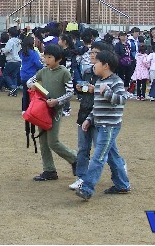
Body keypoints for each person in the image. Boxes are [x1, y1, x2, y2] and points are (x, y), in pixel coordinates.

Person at [75, 50, 130, 200]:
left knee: (98, 157)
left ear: (106, 65)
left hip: (109, 126)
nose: (94, 65)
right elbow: (97, 106)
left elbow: (122, 99)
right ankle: (122, 184)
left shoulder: (116, 81)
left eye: (97, 63)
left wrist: (107, 93)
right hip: (101, 125)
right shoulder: (99, 82)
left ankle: (87, 188)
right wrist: (89, 119)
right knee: (112, 156)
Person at [27, 44, 77, 182]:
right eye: (45, 57)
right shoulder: (43, 71)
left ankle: (75, 158)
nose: (46, 60)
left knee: (53, 142)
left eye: (50, 57)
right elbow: (30, 81)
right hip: (42, 110)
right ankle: (49, 170)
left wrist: (57, 101)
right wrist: (32, 85)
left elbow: (70, 92)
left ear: (59, 59)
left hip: (55, 111)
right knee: (43, 142)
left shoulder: (64, 72)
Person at [69, 40, 111, 191]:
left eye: (96, 53)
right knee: (83, 148)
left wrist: (96, 90)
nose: (92, 55)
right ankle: (81, 177)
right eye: (91, 52)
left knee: (102, 149)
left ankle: (118, 169)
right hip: (84, 112)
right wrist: (80, 88)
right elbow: (84, 92)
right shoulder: (87, 72)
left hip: (100, 116)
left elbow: (112, 97)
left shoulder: (108, 76)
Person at [19, 35, 43, 109]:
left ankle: (24, 108)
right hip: (31, 75)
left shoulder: (22, 52)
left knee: (25, 93)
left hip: (23, 74)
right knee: (31, 93)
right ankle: (30, 108)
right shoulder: (34, 53)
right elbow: (38, 64)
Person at [0, 27, 22, 95]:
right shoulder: (18, 41)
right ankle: (14, 90)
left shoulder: (10, 41)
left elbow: (7, 50)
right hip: (18, 60)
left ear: (10, 33)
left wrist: (3, 50)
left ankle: (12, 87)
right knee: (14, 75)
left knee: (5, 74)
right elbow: (19, 49)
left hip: (11, 60)